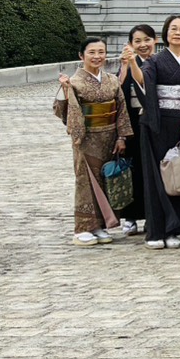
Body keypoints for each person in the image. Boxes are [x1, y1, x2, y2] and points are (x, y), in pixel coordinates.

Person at [127, 14, 180, 250]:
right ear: (165, 34)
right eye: (173, 28)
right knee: (156, 178)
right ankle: (156, 230)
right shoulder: (154, 61)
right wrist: (133, 64)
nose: (177, 32)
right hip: (157, 123)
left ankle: (175, 229)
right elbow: (143, 82)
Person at [54, 37, 131, 245]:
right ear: (82, 56)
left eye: (101, 52)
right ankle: (83, 228)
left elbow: (121, 109)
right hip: (86, 137)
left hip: (109, 135)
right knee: (86, 181)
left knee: (105, 180)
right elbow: (63, 112)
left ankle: (101, 225)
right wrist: (65, 91)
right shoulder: (75, 82)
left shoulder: (112, 80)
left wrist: (122, 136)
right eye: (92, 52)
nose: (97, 57)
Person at [115, 23, 156, 235]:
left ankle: (153, 216)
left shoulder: (160, 64)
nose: (143, 45)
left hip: (154, 125)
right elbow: (118, 101)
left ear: (155, 41)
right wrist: (120, 135)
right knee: (133, 172)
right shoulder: (126, 67)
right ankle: (129, 216)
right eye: (137, 41)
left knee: (154, 174)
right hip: (131, 126)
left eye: (147, 40)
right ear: (130, 45)